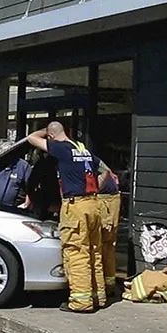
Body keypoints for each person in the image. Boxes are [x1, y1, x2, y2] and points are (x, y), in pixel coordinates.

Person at [28, 121, 106, 313]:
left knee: (76, 253)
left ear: (52, 136)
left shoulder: (60, 148)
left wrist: (45, 132)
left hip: (76, 206)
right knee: (94, 252)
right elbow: (105, 171)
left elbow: (31, 139)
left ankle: (81, 302)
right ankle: (98, 296)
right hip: (94, 204)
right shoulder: (82, 148)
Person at [97, 160, 121, 300]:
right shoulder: (86, 156)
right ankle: (108, 286)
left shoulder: (75, 156)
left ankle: (103, 288)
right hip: (109, 200)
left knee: (99, 246)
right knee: (107, 246)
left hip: (104, 201)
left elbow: (105, 174)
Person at [0, 141, 32, 208]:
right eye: (2, 153)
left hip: (16, 208)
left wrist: (26, 204)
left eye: (7, 153)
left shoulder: (23, 166)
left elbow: (31, 188)